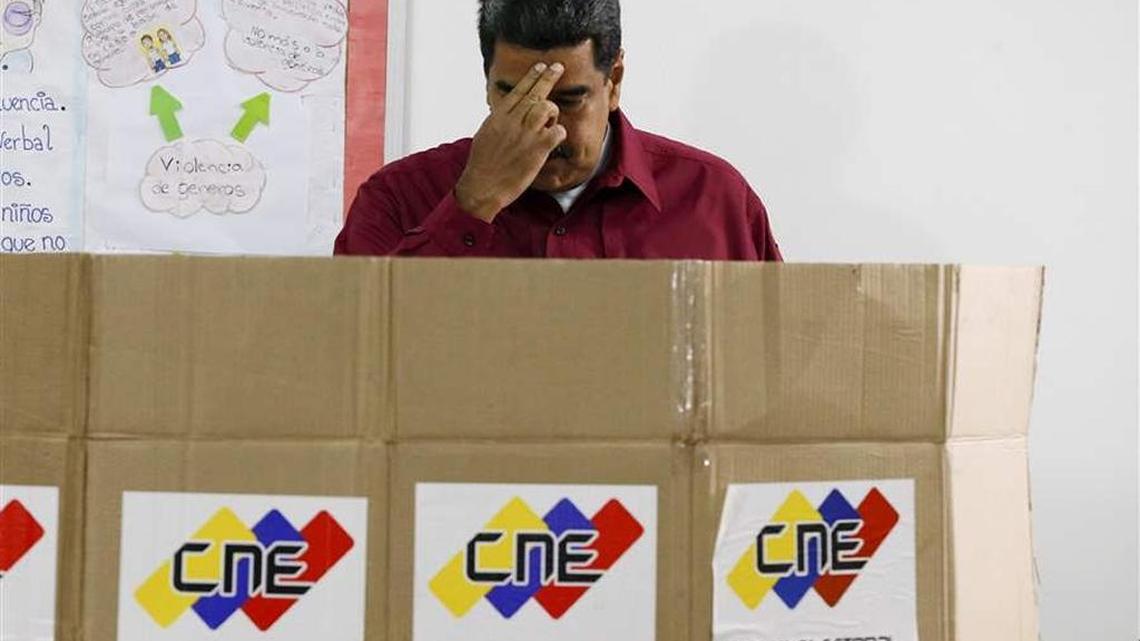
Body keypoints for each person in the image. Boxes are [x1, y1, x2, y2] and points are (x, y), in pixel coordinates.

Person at [335, 0, 781, 260]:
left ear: (615, 82)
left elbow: (774, 370)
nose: (544, 124)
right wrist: (472, 204)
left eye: (569, 99)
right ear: (486, 81)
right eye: (514, 94)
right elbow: (354, 359)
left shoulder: (714, 200)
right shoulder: (396, 199)